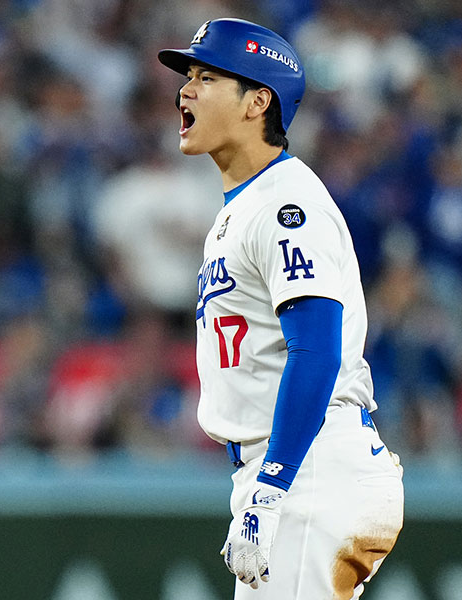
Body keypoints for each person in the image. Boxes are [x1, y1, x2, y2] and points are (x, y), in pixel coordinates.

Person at [158, 19, 404, 598]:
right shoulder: (245, 205)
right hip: (300, 466)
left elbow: (315, 350)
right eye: (187, 77)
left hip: (307, 465)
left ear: (258, 101)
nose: (184, 91)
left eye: (206, 76)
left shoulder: (286, 203)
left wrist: (272, 486)